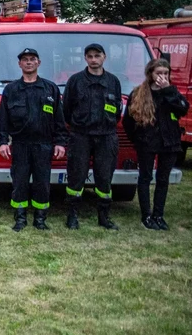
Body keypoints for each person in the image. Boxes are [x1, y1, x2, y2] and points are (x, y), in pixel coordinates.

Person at [0, 47, 68, 232]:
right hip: (20, 144)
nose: (28, 62)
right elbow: (3, 118)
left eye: (32, 59)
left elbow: (59, 119)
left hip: (44, 144)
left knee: (42, 183)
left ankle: (40, 219)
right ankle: (20, 218)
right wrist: (3, 141)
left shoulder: (50, 89)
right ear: (19, 64)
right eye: (25, 59)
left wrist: (60, 142)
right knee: (19, 182)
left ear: (38, 63)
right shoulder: (11, 90)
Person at [123, 58, 189, 230]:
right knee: (145, 178)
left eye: (166, 73)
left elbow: (183, 108)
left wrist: (168, 90)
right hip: (147, 143)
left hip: (170, 143)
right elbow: (128, 122)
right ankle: (146, 215)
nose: (162, 76)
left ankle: (158, 215)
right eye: (159, 73)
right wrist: (137, 140)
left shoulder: (171, 92)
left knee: (163, 179)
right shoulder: (138, 93)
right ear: (150, 74)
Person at [62, 43, 123, 230]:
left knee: (104, 178)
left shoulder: (113, 82)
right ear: (85, 58)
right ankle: (72, 215)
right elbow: (66, 110)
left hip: (106, 136)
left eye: (97, 56)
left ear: (104, 57)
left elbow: (117, 110)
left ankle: (104, 217)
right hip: (81, 135)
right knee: (76, 177)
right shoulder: (75, 81)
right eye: (90, 56)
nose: (94, 59)